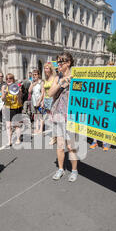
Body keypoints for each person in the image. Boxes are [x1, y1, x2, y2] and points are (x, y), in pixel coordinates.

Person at [48, 52, 79, 182]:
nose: (58, 65)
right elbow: (50, 93)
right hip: (59, 115)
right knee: (60, 146)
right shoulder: (57, 78)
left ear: (68, 63)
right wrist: (62, 82)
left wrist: (71, 80)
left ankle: (74, 170)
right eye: (57, 62)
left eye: (60, 62)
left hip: (72, 116)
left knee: (71, 146)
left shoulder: (77, 76)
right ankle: (61, 169)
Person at [1, 73, 23, 146]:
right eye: (7, 78)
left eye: (10, 78)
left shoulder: (17, 87)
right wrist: (5, 94)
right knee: (8, 125)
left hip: (16, 107)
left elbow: (20, 101)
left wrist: (19, 94)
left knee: (17, 125)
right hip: (8, 107)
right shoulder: (4, 87)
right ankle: (9, 141)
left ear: (13, 79)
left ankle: (18, 139)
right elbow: (3, 99)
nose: (8, 80)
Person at [42, 62, 57, 144]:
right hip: (46, 100)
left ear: (51, 69)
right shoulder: (45, 79)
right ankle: (55, 135)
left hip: (52, 99)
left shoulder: (55, 78)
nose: (45, 70)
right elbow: (44, 91)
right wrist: (43, 101)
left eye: (47, 68)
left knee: (53, 118)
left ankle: (54, 137)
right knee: (50, 119)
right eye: (44, 68)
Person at [29, 69, 44, 135]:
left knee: (40, 116)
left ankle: (41, 129)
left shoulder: (41, 82)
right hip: (33, 101)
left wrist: (40, 102)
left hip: (39, 101)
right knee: (35, 115)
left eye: (35, 74)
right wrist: (32, 84)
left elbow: (43, 93)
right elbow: (29, 91)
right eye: (33, 75)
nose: (34, 76)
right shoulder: (32, 82)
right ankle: (37, 128)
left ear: (38, 75)